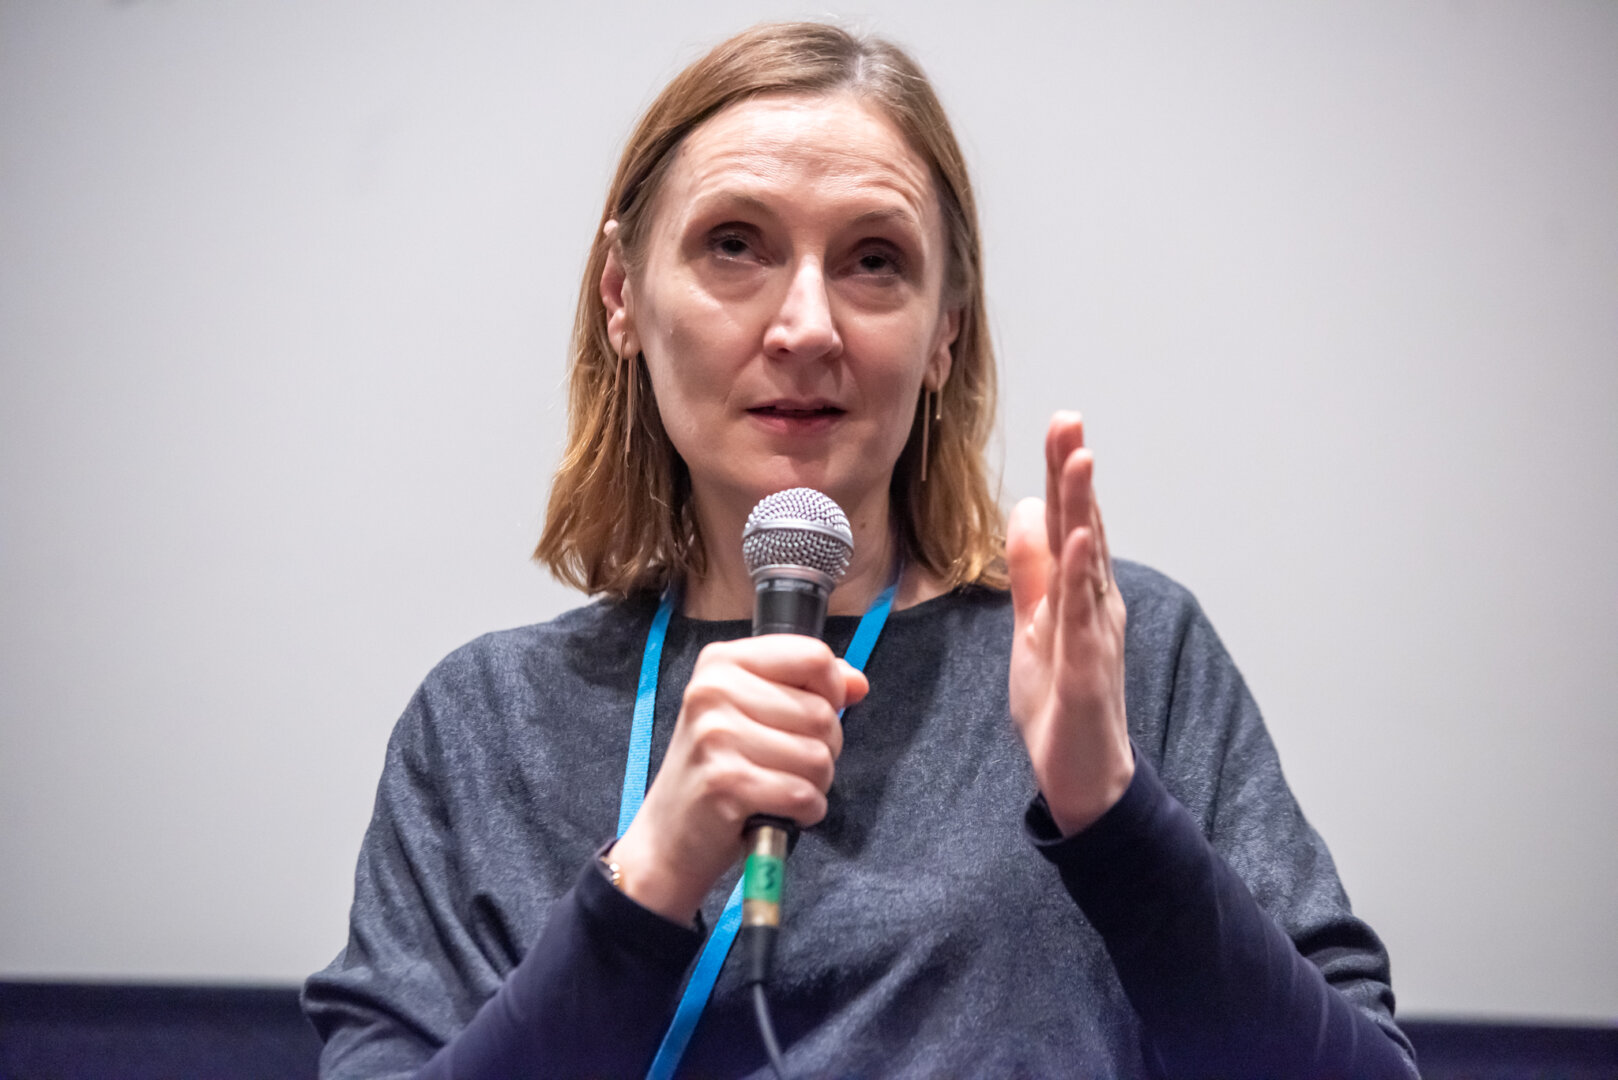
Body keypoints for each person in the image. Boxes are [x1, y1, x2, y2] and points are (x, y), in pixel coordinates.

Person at [304, 22, 1418, 1080]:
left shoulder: (1114, 659)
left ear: (945, 333)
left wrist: (1112, 814)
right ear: (620, 297)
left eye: (874, 260)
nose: (806, 327)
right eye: (733, 245)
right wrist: (653, 871)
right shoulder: (484, 723)